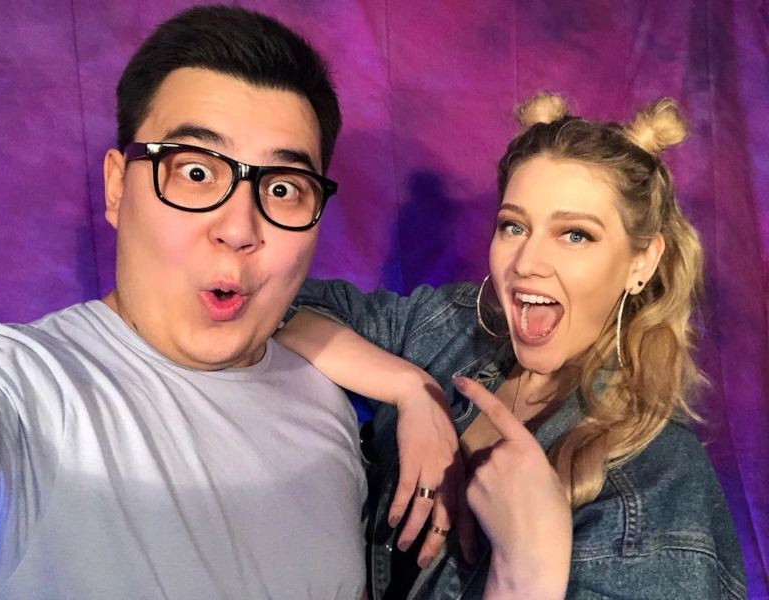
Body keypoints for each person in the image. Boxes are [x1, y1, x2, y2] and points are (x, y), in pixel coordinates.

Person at [0, 5, 460, 598]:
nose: (238, 228)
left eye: (282, 187)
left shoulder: (325, 398)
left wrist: (415, 391)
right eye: (196, 172)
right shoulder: (19, 384)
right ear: (118, 187)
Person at [276, 93, 748, 598]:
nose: (526, 263)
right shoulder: (453, 326)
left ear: (642, 262)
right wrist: (411, 390)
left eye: (575, 235)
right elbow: (272, 303)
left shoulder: (659, 487)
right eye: (514, 226)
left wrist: (526, 570)